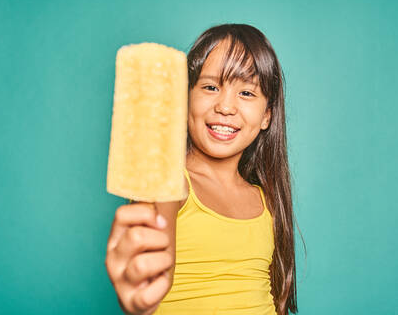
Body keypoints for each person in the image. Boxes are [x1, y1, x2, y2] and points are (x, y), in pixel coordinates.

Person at [105, 23, 301, 315]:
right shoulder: (171, 186)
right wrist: (138, 294)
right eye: (211, 87)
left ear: (267, 116)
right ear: (185, 99)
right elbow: (147, 278)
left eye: (246, 93)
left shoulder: (265, 198)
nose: (225, 106)